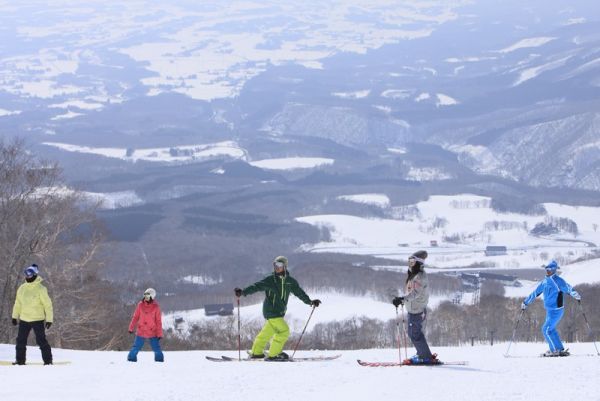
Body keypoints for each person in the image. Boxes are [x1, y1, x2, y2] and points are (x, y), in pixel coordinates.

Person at [234, 256, 321, 361]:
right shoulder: (271, 280)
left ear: (285, 266)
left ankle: (256, 353)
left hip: (279, 312)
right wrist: (243, 292)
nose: (277, 268)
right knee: (284, 331)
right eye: (275, 265)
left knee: (266, 333)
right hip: (271, 311)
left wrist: (310, 302)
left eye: (279, 265)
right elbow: (256, 286)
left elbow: (299, 292)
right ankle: (274, 354)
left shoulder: (290, 281)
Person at [521, 260, 581, 357]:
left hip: (557, 310)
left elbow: (568, 288)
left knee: (546, 329)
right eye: (546, 269)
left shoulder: (558, 281)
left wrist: (575, 294)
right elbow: (535, 293)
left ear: (553, 269)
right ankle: (559, 348)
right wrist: (525, 302)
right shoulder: (544, 282)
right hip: (549, 310)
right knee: (551, 329)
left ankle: (554, 350)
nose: (547, 271)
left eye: (549, 269)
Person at [392, 250, 438, 365]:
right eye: (409, 261)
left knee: (414, 334)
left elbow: (415, 293)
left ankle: (425, 357)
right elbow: (410, 291)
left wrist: (402, 299)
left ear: (418, 262)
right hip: (414, 309)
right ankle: (423, 353)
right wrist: (403, 299)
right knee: (414, 333)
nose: (410, 264)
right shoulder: (414, 274)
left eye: (412, 262)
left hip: (416, 310)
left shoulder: (419, 276)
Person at [11, 264, 54, 365]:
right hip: (24, 319)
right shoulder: (22, 288)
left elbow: (48, 305)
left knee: (41, 340)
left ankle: (48, 361)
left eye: (30, 274)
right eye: (26, 274)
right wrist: (14, 316)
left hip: (37, 319)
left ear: (35, 275)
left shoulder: (41, 289)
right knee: (20, 341)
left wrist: (49, 319)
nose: (28, 276)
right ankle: (20, 361)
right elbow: (17, 303)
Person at [127, 288, 164, 362]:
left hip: (152, 332)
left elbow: (158, 321)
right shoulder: (140, 305)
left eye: (148, 296)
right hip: (141, 331)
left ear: (152, 297)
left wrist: (159, 334)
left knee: (156, 348)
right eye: (145, 295)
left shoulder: (156, 307)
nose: (146, 297)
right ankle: (131, 360)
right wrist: (131, 327)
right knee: (136, 347)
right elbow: (135, 317)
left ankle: (159, 362)